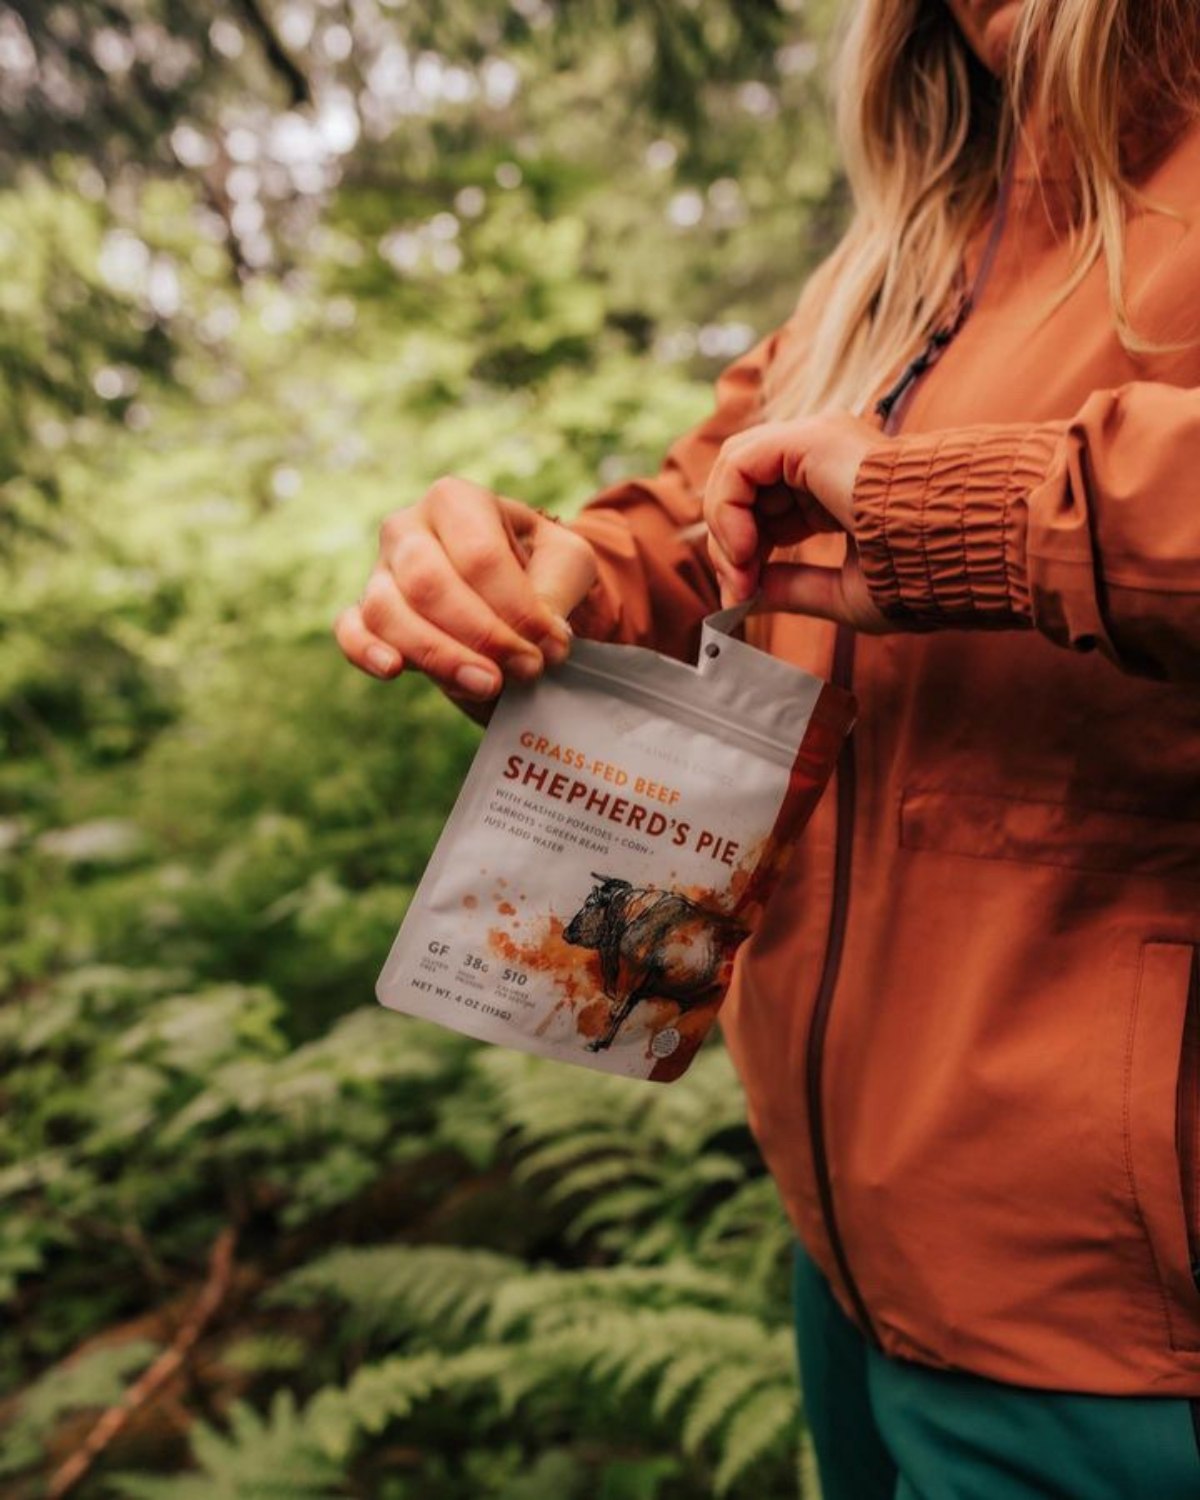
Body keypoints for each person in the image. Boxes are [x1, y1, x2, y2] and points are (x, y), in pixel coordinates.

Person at [336, 0, 1200, 1492]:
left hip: (1127, 1329)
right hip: (854, 1254)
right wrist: (560, 576)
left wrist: (970, 515)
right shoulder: (919, 242)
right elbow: (696, 516)